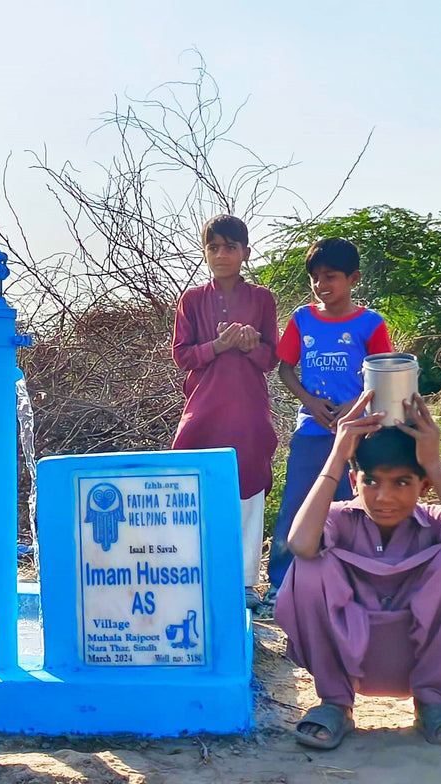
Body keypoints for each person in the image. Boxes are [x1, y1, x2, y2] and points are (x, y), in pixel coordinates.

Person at [275, 391, 441, 750]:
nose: (384, 498)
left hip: (416, 657)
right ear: (355, 482)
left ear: (422, 486)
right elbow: (301, 545)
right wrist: (337, 456)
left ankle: (434, 701)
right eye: (371, 482)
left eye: (401, 483)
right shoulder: (338, 519)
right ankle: (335, 702)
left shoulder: (435, 520)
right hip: (354, 657)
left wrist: (437, 468)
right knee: (310, 565)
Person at [264, 238, 392, 604]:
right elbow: (286, 369)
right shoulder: (302, 319)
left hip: (360, 432)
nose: (321, 285)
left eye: (330, 276)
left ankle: (355, 583)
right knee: (297, 503)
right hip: (312, 429)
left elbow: (382, 373)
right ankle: (280, 586)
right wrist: (310, 402)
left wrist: (354, 403)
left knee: (354, 505)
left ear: (353, 278)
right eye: (315, 277)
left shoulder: (371, 323)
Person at [171, 214, 279, 610]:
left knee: (249, 490)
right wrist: (216, 346)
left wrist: (250, 345)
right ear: (205, 252)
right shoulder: (193, 300)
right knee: (192, 487)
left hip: (249, 412)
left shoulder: (262, 299)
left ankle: (247, 582)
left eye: (230, 247)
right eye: (213, 247)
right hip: (203, 410)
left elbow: (271, 359)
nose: (221, 255)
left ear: (245, 253)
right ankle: (191, 570)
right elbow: (181, 356)